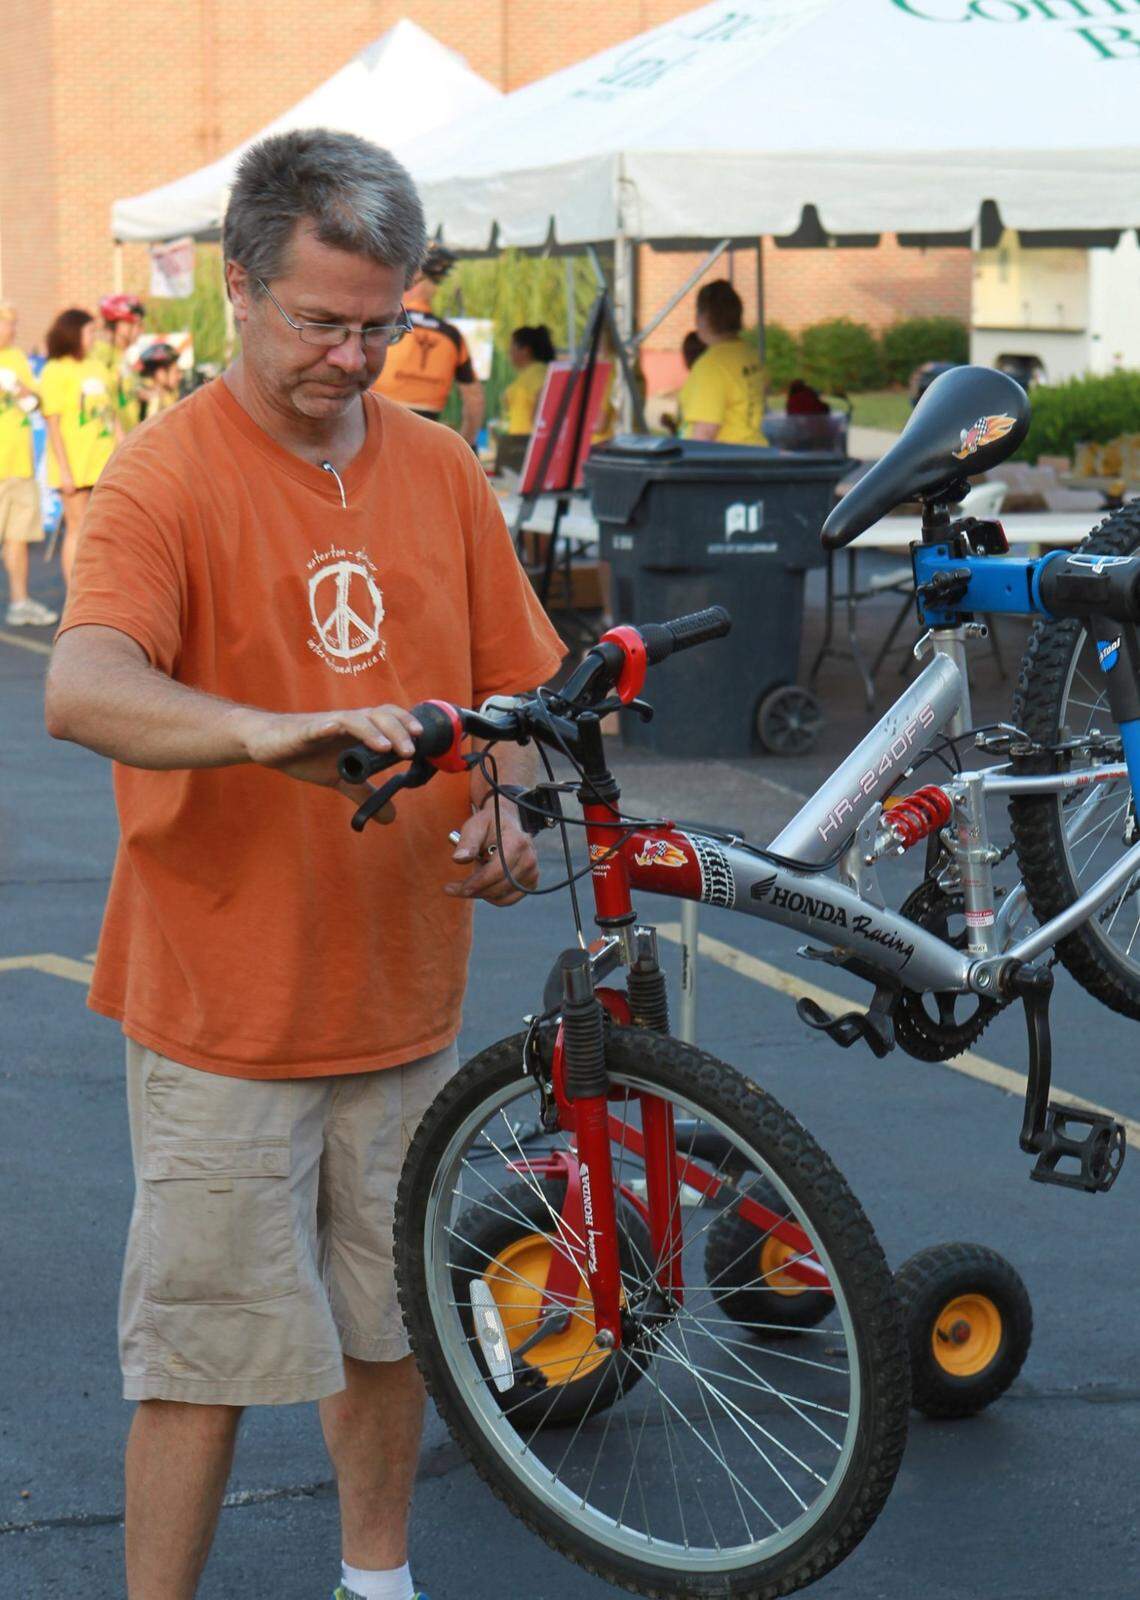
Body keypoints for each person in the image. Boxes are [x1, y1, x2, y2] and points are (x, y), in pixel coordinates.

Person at [44, 126, 564, 1600]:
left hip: (404, 998)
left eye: (382, 323)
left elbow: (515, 695)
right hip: (226, 1015)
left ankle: (377, 1580)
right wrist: (269, 732)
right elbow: (82, 688)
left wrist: (510, 803)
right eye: (324, 322)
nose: (355, 355)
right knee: (199, 1353)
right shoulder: (162, 479)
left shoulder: (443, 471)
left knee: (393, 1324)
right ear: (237, 289)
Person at [371, 244, 484, 445]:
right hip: (427, 437)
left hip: (377, 429)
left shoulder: (383, 323)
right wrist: (467, 443)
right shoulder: (451, 336)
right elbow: (474, 400)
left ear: (412, 278)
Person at [40, 308, 121, 584]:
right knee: (77, 527)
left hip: (103, 459)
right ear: (72, 334)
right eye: (89, 332)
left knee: (104, 526)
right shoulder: (56, 370)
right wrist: (64, 470)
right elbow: (52, 423)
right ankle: (76, 590)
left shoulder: (97, 366)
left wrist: (124, 449)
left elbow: (111, 415)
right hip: (75, 462)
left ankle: (101, 583)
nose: (94, 338)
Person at [0, 302, 58, 626]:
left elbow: (36, 402)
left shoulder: (16, 359)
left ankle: (19, 601)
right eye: (9, 324)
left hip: (19, 464)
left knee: (18, 537)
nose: (13, 330)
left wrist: (22, 390)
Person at [679, 280, 766, 446]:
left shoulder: (711, 365)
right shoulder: (749, 353)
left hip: (724, 463)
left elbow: (705, 433)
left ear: (704, 317)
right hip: (753, 453)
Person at [495, 324, 555, 473]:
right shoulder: (535, 374)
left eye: (512, 347)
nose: (509, 353)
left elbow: (543, 409)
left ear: (525, 350)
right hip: (518, 444)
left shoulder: (539, 374)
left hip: (524, 447)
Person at [94, 293, 146, 432]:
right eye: (133, 324)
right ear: (115, 325)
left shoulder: (123, 356)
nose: (139, 330)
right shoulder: (102, 354)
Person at [135, 340, 183, 421]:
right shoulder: (145, 400)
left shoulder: (171, 396)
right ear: (160, 373)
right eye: (176, 372)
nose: (180, 376)